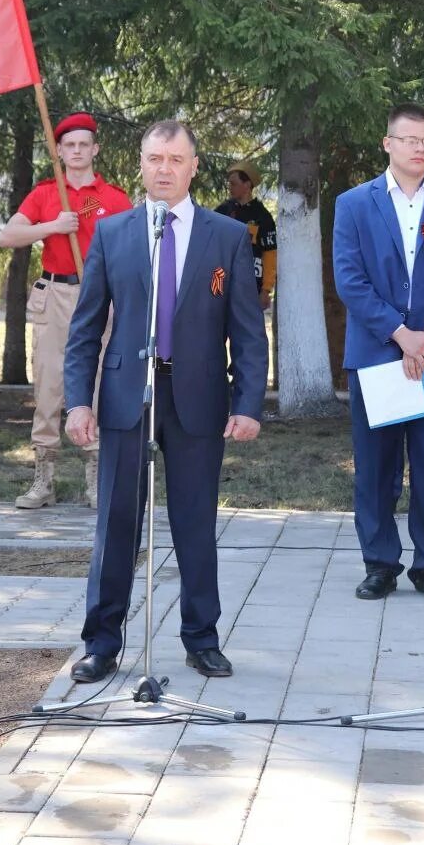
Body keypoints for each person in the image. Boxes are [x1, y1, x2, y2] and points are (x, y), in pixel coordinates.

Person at [63, 120, 268, 681]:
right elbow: (85, 329)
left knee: (195, 522)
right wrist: (78, 401)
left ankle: (201, 637)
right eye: (155, 159)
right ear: (142, 163)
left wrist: (249, 402)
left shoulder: (225, 235)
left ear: (193, 166)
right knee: (117, 525)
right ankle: (102, 642)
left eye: (175, 160)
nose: (164, 170)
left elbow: (247, 330)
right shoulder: (114, 233)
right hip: (129, 395)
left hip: (199, 396)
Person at [333, 103, 424, 601]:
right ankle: (380, 563)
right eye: (410, 139)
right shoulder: (354, 204)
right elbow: (350, 281)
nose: (420, 149)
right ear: (388, 143)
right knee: (375, 468)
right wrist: (401, 334)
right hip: (378, 355)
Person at [0, 113, 132, 508]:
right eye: (69, 145)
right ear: (59, 151)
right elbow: (8, 235)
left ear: (95, 149)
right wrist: (52, 226)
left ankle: (95, 476)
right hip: (55, 293)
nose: (76, 151)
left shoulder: (114, 198)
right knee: (50, 384)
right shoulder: (44, 194)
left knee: (98, 383)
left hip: (99, 295)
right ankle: (45, 479)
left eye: (83, 145)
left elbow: (130, 249)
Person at [215, 161, 277, 309]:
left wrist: (266, 290)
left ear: (247, 185)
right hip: (222, 286)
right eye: (229, 184)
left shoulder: (263, 216)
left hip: (251, 289)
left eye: (234, 183)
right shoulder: (222, 211)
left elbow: (270, 255)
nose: (230, 187)